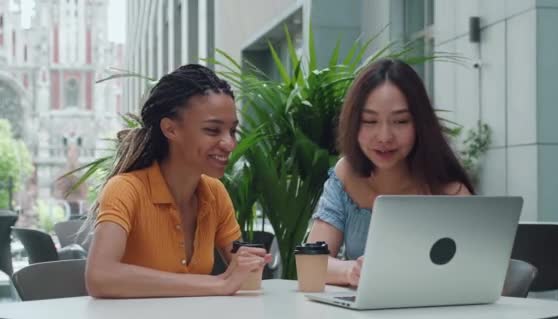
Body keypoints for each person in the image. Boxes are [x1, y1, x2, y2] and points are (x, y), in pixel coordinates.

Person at [85, 64, 271, 298]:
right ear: (170, 129)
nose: (230, 144)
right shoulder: (126, 189)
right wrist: (218, 284)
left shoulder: (215, 193)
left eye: (232, 131)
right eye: (213, 131)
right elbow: (100, 276)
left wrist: (249, 265)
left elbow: (240, 275)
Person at [308, 58, 474, 287]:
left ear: (420, 124)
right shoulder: (346, 175)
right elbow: (310, 263)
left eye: (400, 121)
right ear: (354, 124)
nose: (384, 136)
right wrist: (351, 271)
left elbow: (479, 274)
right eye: (370, 121)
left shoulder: (451, 193)